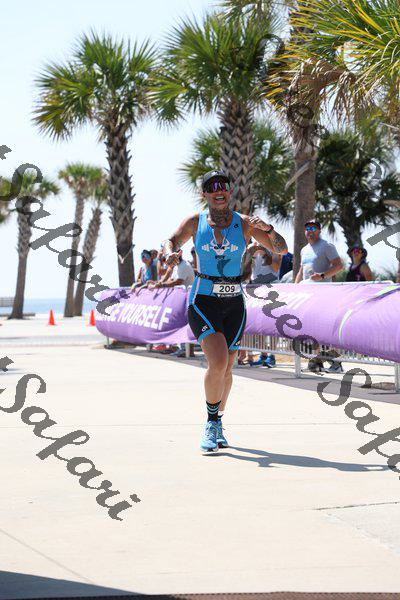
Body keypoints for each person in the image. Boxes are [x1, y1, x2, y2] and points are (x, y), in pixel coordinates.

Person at [163, 169, 288, 453]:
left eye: (224, 186)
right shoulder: (195, 222)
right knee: (218, 362)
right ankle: (210, 423)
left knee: (229, 367)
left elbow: (280, 249)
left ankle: (218, 421)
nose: (219, 190)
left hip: (234, 302)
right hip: (203, 299)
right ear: (204, 194)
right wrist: (170, 253)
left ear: (229, 192)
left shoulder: (244, 224)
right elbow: (172, 240)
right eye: (212, 186)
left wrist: (268, 229)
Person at [295, 221, 343, 373]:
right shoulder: (304, 250)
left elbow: (338, 266)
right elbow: (301, 270)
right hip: (308, 296)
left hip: (324, 295)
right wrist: (294, 288)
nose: (310, 231)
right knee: (311, 329)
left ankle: (336, 363)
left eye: (313, 228)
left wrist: (322, 276)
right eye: (307, 228)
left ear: (319, 230)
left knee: (328, 329)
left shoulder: (327, 246)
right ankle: (316, 361)